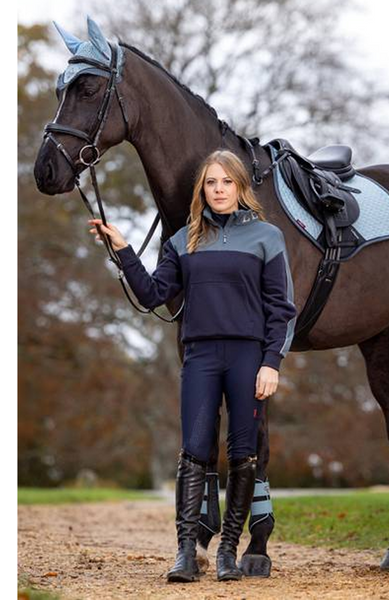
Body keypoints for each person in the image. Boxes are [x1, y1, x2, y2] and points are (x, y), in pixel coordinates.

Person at [88, 149, 297, 583]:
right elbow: (151, 294)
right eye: (211, 183)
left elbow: (282, 309)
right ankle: (185, 552)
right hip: (200, 356)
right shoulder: (183, 240)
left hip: (247, 358)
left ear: (240, 187)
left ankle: (226, 553)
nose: (218, 190)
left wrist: (271, 362)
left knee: (243, 454)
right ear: (202, 190)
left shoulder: (267, 237)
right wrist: (124, 250)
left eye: (226, 182)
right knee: (194, 452)